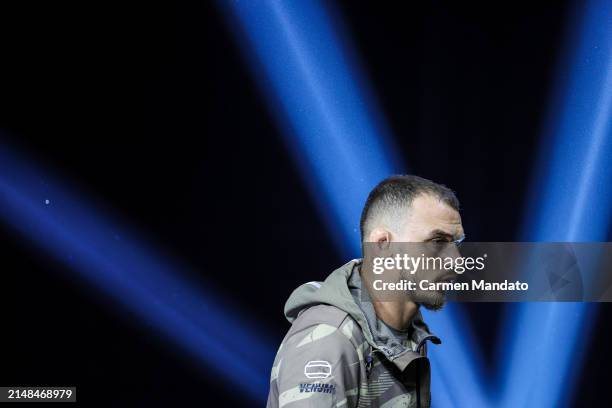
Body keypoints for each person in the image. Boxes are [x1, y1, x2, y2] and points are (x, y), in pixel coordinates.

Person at [266, 175, 465, 408]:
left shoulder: (407, 333)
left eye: (456, 244)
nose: (456, 261)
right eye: (438, 241)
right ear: (382, 243)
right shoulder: (330, 337)